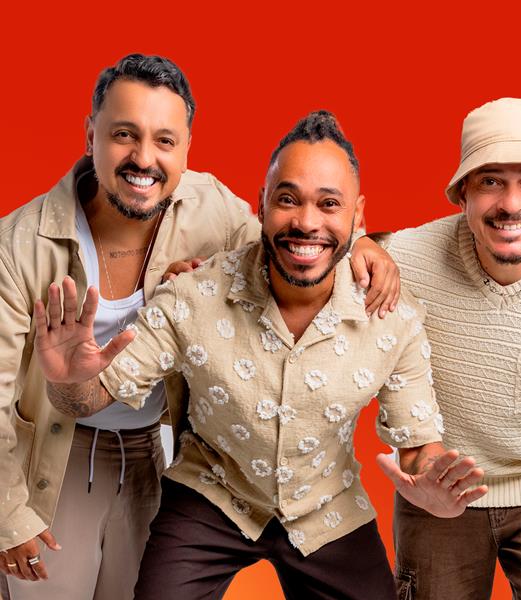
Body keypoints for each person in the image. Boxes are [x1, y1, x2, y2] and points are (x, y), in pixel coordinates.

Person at [34, 111, 487, 600]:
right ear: (262, 205)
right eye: (288, 199)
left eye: (328, 204)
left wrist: (435, 486)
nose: (306, 222)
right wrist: (67, 381)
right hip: (210, 494)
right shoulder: (191, 296)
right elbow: (91, 396)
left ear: (357, 217)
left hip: (328, 507)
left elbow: (417, 446)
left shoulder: (393, 317)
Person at [0, 55, 397, 600]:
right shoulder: (19, 244)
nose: (144, 158)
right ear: (91, 135)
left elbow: (295, 240)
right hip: (55, 453)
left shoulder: (213, 209)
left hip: (150, 453)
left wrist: (364, 242)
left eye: (164, 140)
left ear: (187, 149)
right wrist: (9, 515)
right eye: (123, 135)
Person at [388, 98, 521, 599]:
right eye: (490, 181)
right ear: (462, 192)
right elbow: (325, 249)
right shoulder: (403, 260)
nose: (511, 204)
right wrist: (418, 465)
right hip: (439, 482)